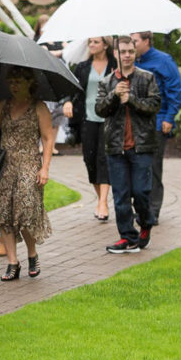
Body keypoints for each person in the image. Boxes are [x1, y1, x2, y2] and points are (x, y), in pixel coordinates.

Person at [0, 67, 55, 281]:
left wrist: (45, 167)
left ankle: (32, 254)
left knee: (25, 211)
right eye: (11, 82)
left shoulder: (39, 107)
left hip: (28, 163)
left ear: (29, 83)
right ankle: (12, 262)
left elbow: (48, 138)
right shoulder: (3, 106)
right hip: (4, 165)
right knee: (3, 215)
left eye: (18, 81)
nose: (14, 86)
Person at [96, 36, 161, 254]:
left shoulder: (147, 78)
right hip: (116, 148)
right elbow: (99, 110)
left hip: (141, 146)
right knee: (121, 195)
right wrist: (115, 96)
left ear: (135, 53)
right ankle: (127, 237)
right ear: (115, 53)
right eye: (123, 51)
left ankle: (145, 223)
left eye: (130, 52)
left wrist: (130, 99)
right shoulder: (106, 82)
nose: (127, 55)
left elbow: (154, 105)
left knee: (142, 192)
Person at [132, 31, 181, 225]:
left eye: (135, 41)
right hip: (135, 121)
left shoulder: (163, 60)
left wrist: (169, 117)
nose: (132, 44)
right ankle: (139, 208)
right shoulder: (130, 61)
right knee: (136, 167)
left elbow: (175, 89)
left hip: (157, 121)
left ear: (146, 41)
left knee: (153, 167)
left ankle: (152, 211)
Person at [63, 37, 117, 222]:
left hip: (108, 120)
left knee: (103, 158)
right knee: (90, 159)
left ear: (105, 44)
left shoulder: (115, 66)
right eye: (90, 42)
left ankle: (102, 202)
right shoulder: (83, 66)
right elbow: (74, 89)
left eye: (96, 42)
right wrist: (68, 101)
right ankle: (101, 198)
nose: (92, 45)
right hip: (87, 119)